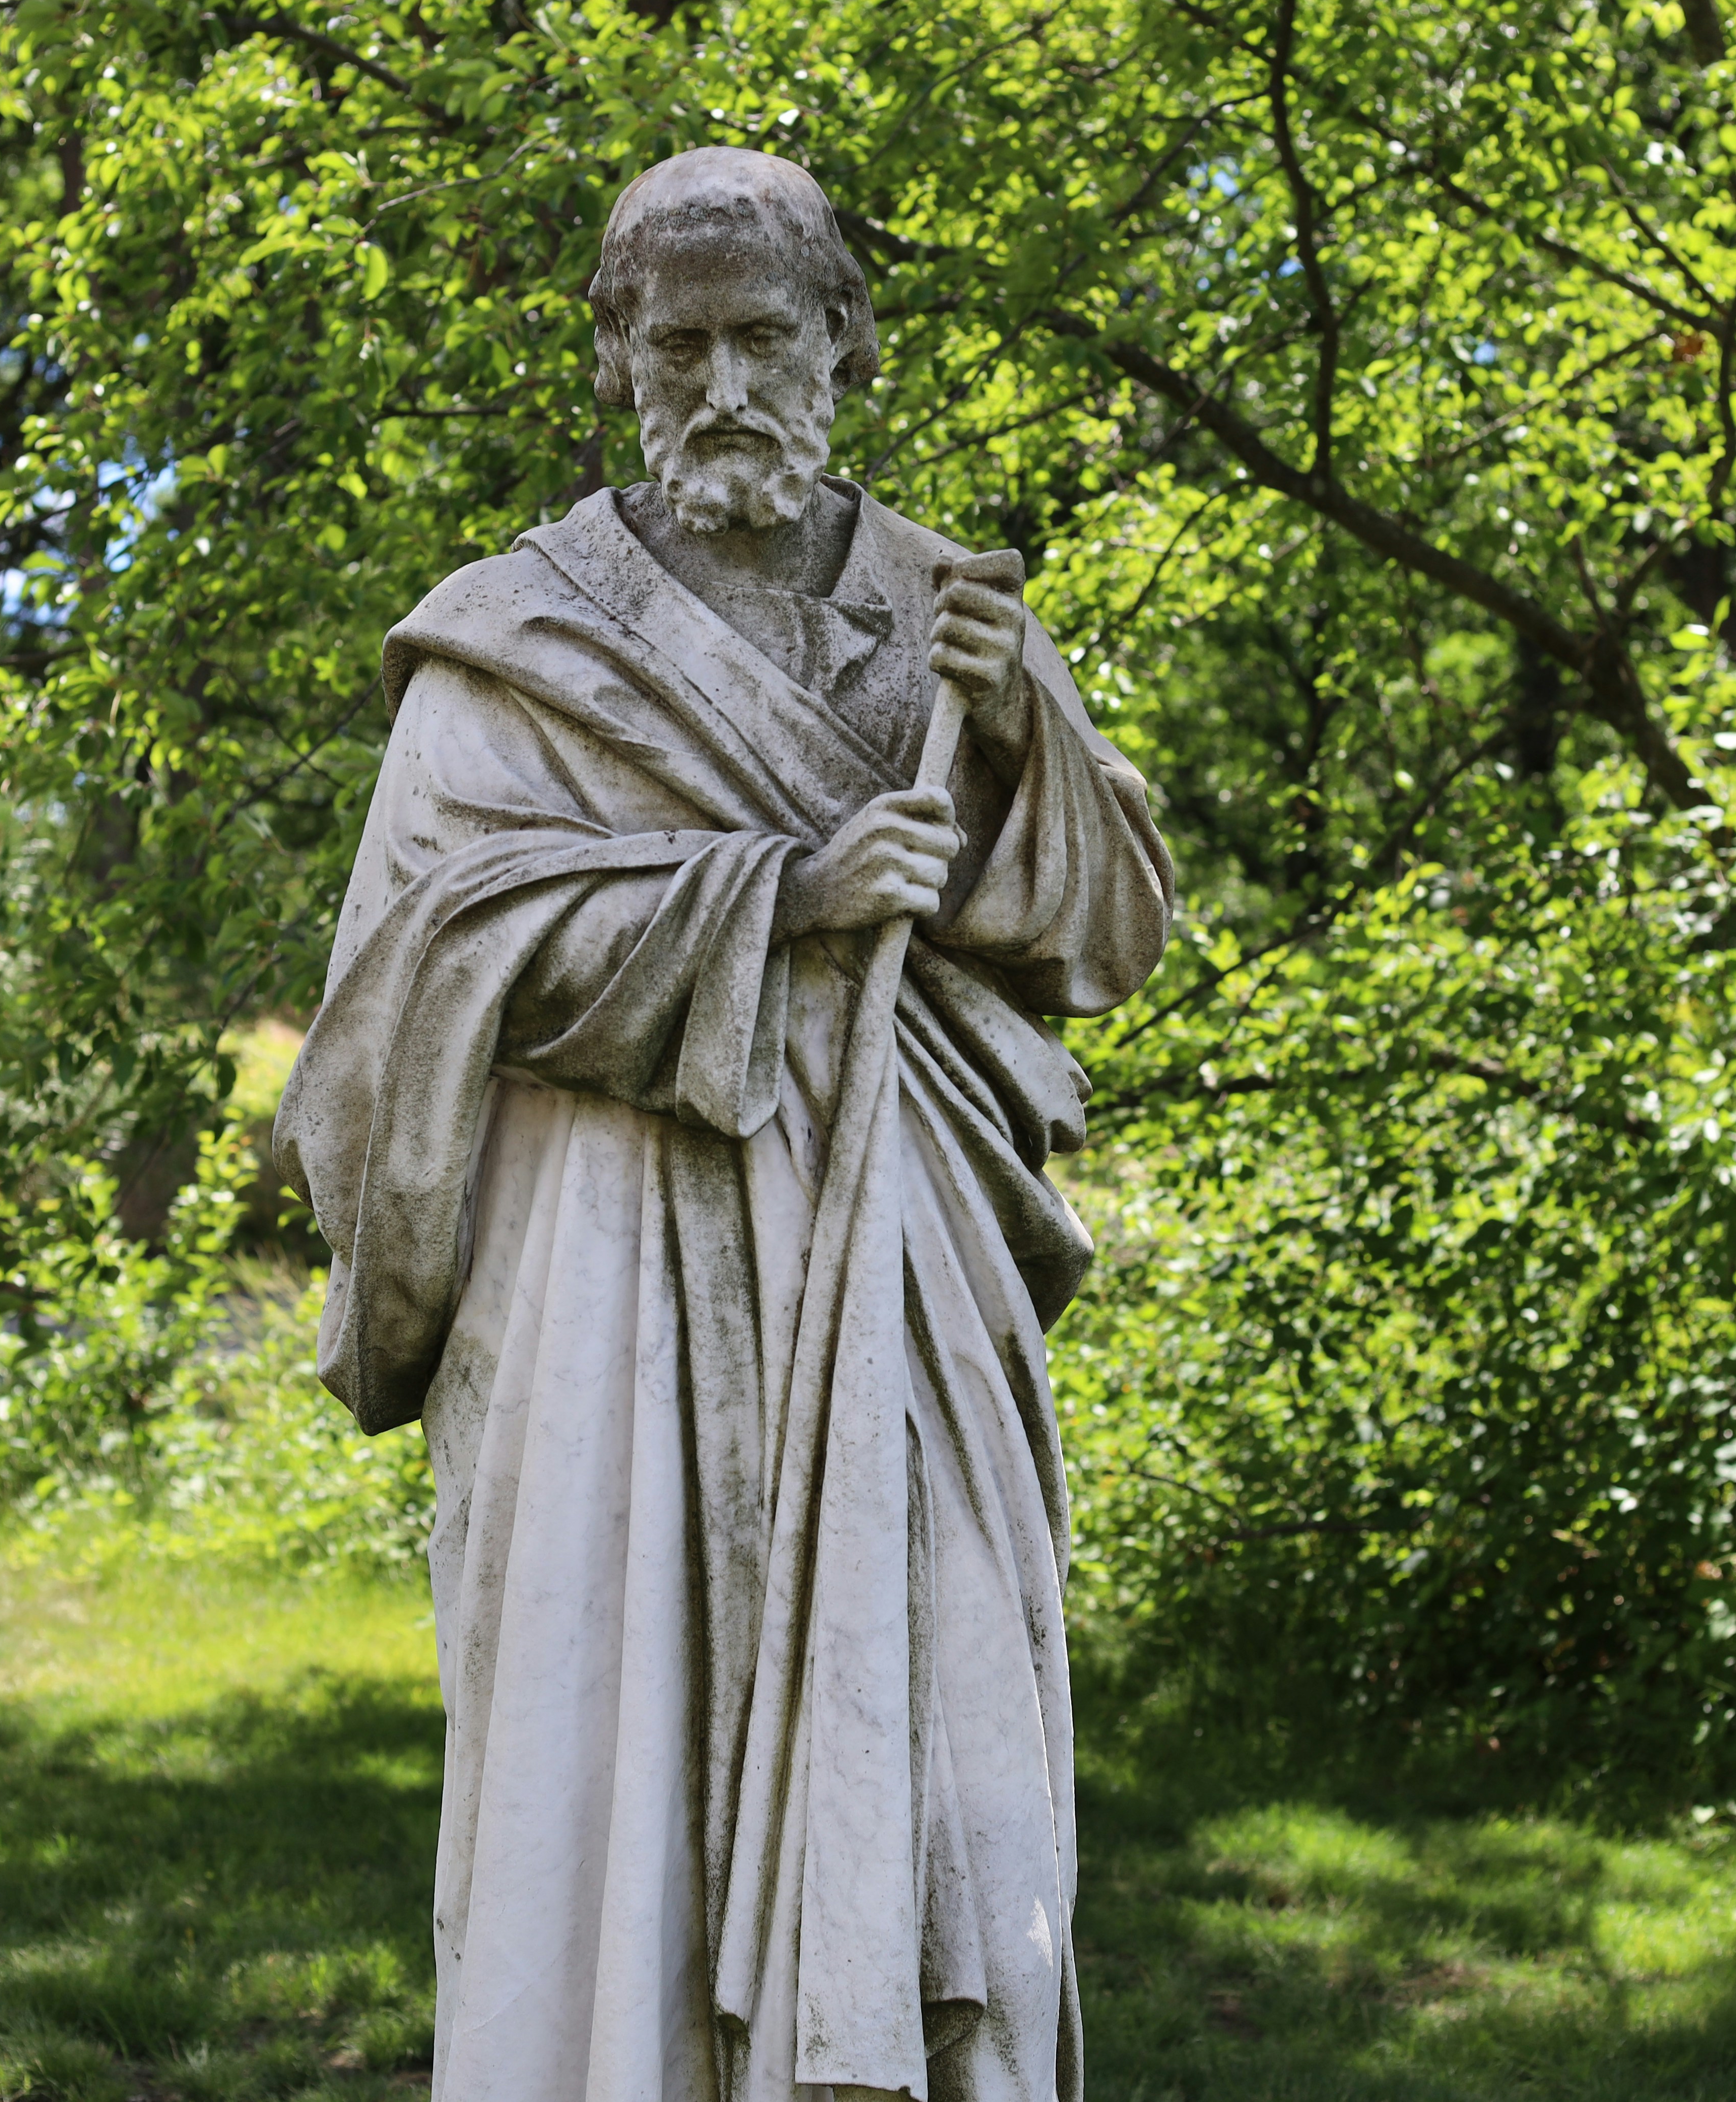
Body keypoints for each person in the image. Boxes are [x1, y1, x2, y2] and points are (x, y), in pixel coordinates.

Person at [279, 146, 1173, 2102]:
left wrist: (1021, 734)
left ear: (846, 338)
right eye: (676, 346)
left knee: (952, 1756)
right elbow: (406, 981)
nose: (726, 386)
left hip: (910, 1280)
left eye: (765, 336)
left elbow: (1107, 930)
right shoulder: (519, 640)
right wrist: (774, 898)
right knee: (610, 1769)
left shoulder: (953, 621)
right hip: (604, 1294)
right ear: (615, 358)